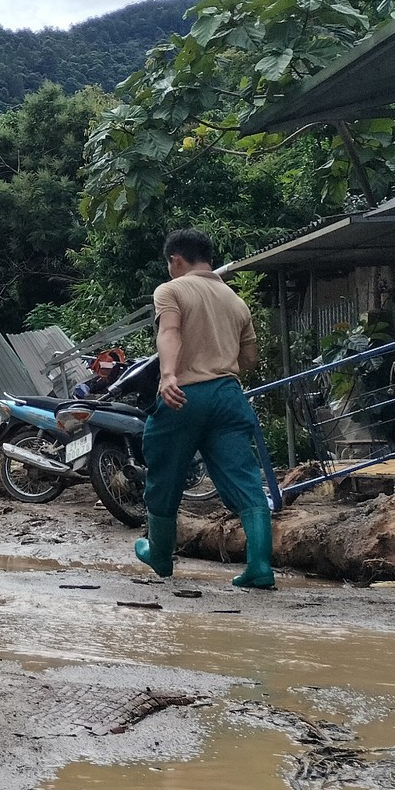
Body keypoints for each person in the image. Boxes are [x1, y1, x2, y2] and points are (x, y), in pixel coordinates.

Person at [133, 228, 275, 590]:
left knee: (164, 474)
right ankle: (259, 566)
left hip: (184, 395)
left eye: (169, 265)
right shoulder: (235, 301)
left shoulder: (171, 290)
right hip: (229, 395)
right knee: (244, 478)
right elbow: (249, 358)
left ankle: (161, 556)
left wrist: (168, 375)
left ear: (176, 260)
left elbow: (170, 332)